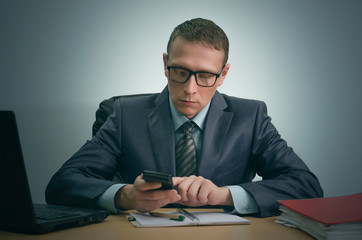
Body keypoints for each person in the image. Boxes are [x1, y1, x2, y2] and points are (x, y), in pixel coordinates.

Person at [46, 18, 323, 218]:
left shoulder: (250, 118)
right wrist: (125, 195)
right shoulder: (123, 114)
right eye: (180, 71)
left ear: (223, 75)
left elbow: (306, 185)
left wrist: (224, 195)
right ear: (165, 64)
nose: (190, 89)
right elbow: (63, 183)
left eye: (205, 76)